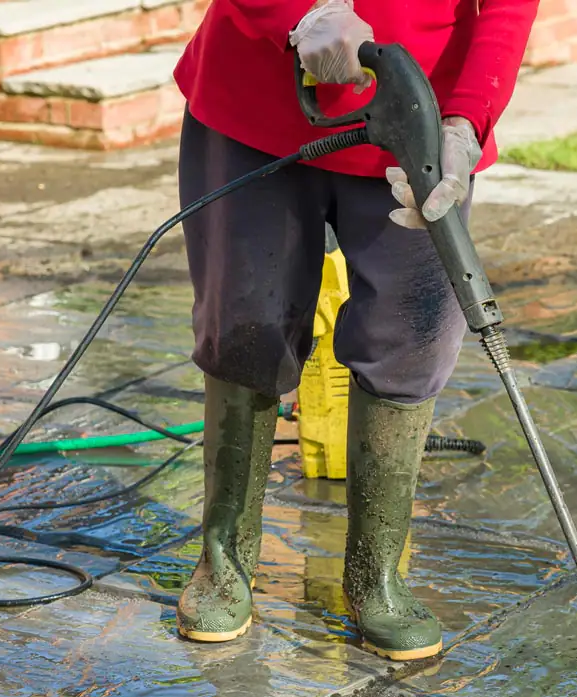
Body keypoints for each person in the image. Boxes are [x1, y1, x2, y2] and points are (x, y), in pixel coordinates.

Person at [170, 0, 539, 661]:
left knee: (413, 338)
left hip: (416, 116)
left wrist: (464, 122)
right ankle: (224, 560)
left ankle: (377, 579)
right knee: (244, 327)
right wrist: (297, 12)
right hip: (260, 102)